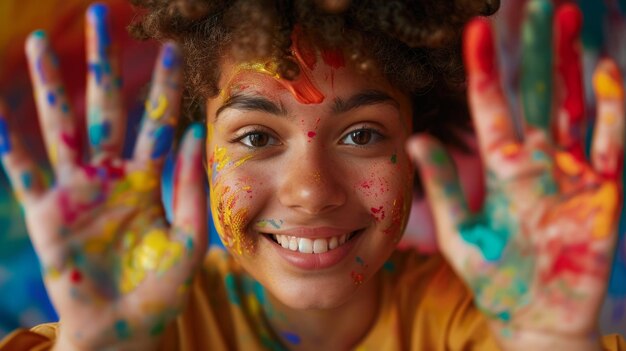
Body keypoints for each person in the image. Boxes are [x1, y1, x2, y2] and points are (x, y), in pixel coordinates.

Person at [0, 0, 625, 349]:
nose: (310, 192)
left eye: (361, 135)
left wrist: (553, 341)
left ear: (414, 149)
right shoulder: (124, 322)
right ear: (202, 150)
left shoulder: (493, 322)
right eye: (255, 137)